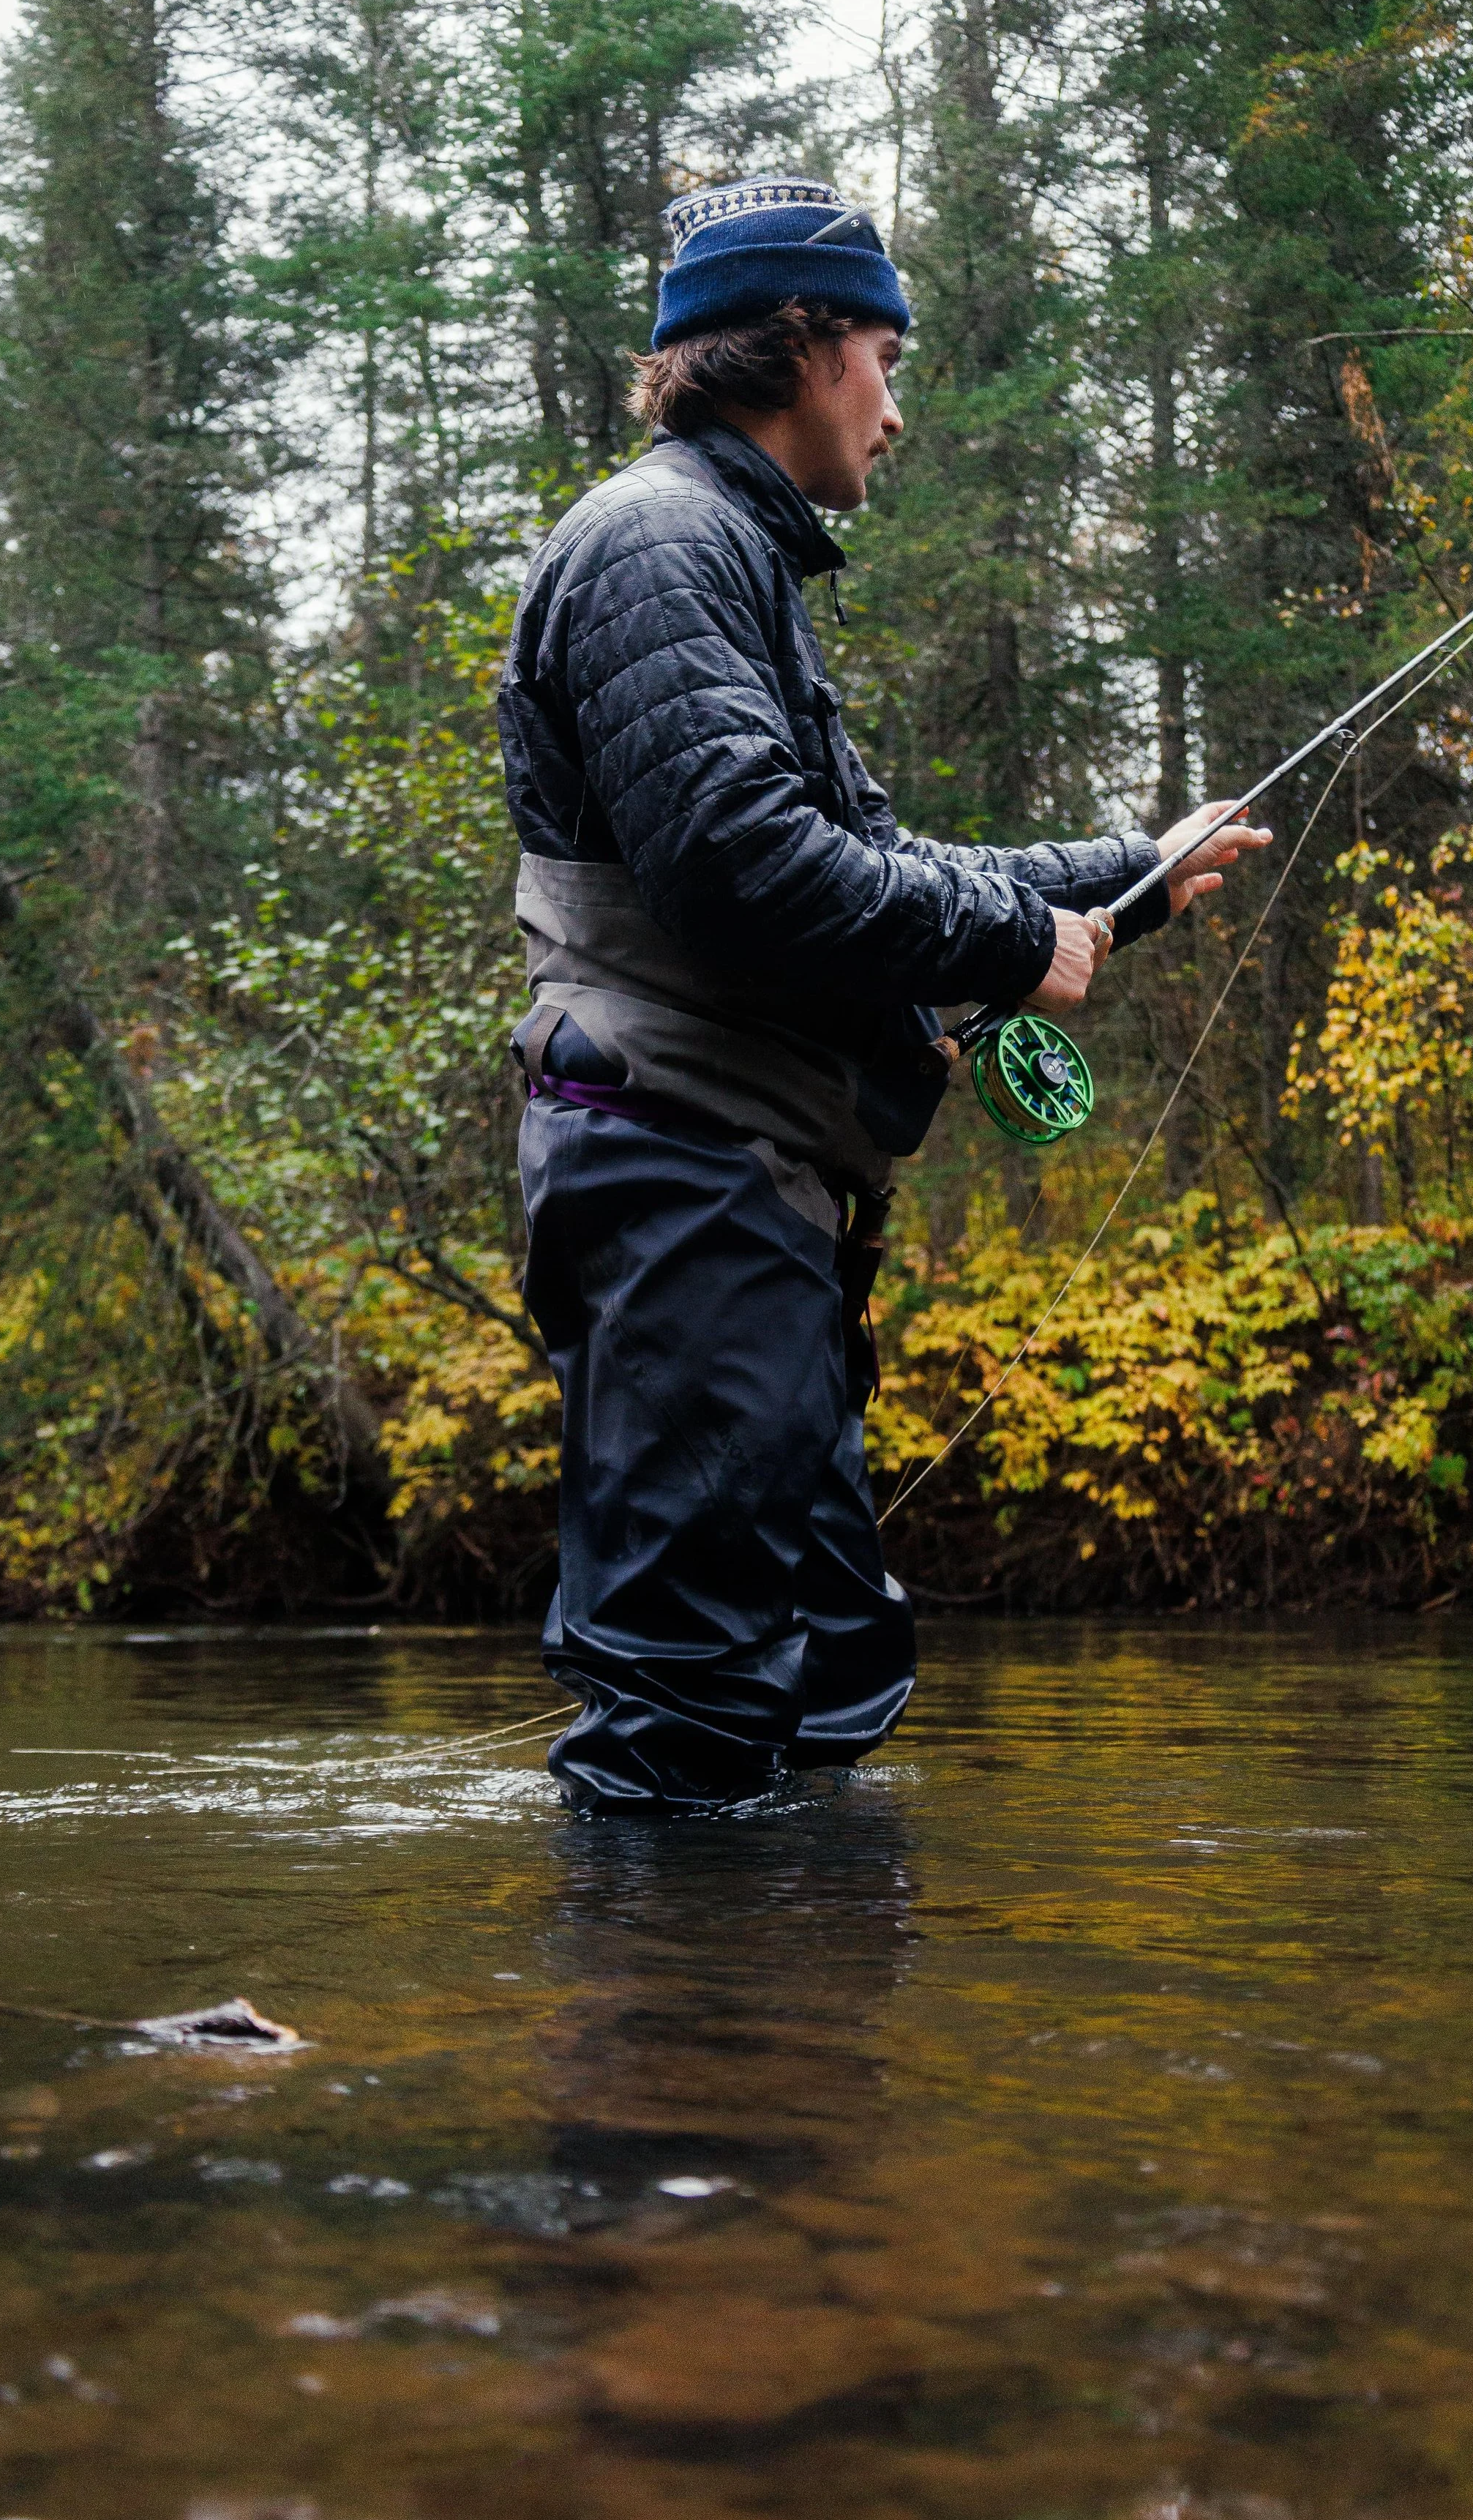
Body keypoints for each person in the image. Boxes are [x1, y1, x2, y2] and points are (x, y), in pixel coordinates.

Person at [498, 176, 1269, 1815]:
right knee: (692, 1702)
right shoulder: (660, 545)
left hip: (739, 1197)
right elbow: (740, 865)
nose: (897, 409)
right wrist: (1008, 948)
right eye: (885, 358)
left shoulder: (722, 554)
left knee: (821, 1671)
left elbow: (855, 858)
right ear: (802, 347)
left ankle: (784, 2035)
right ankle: (674, 2058)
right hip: (679, 1183)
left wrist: (1128, 867)